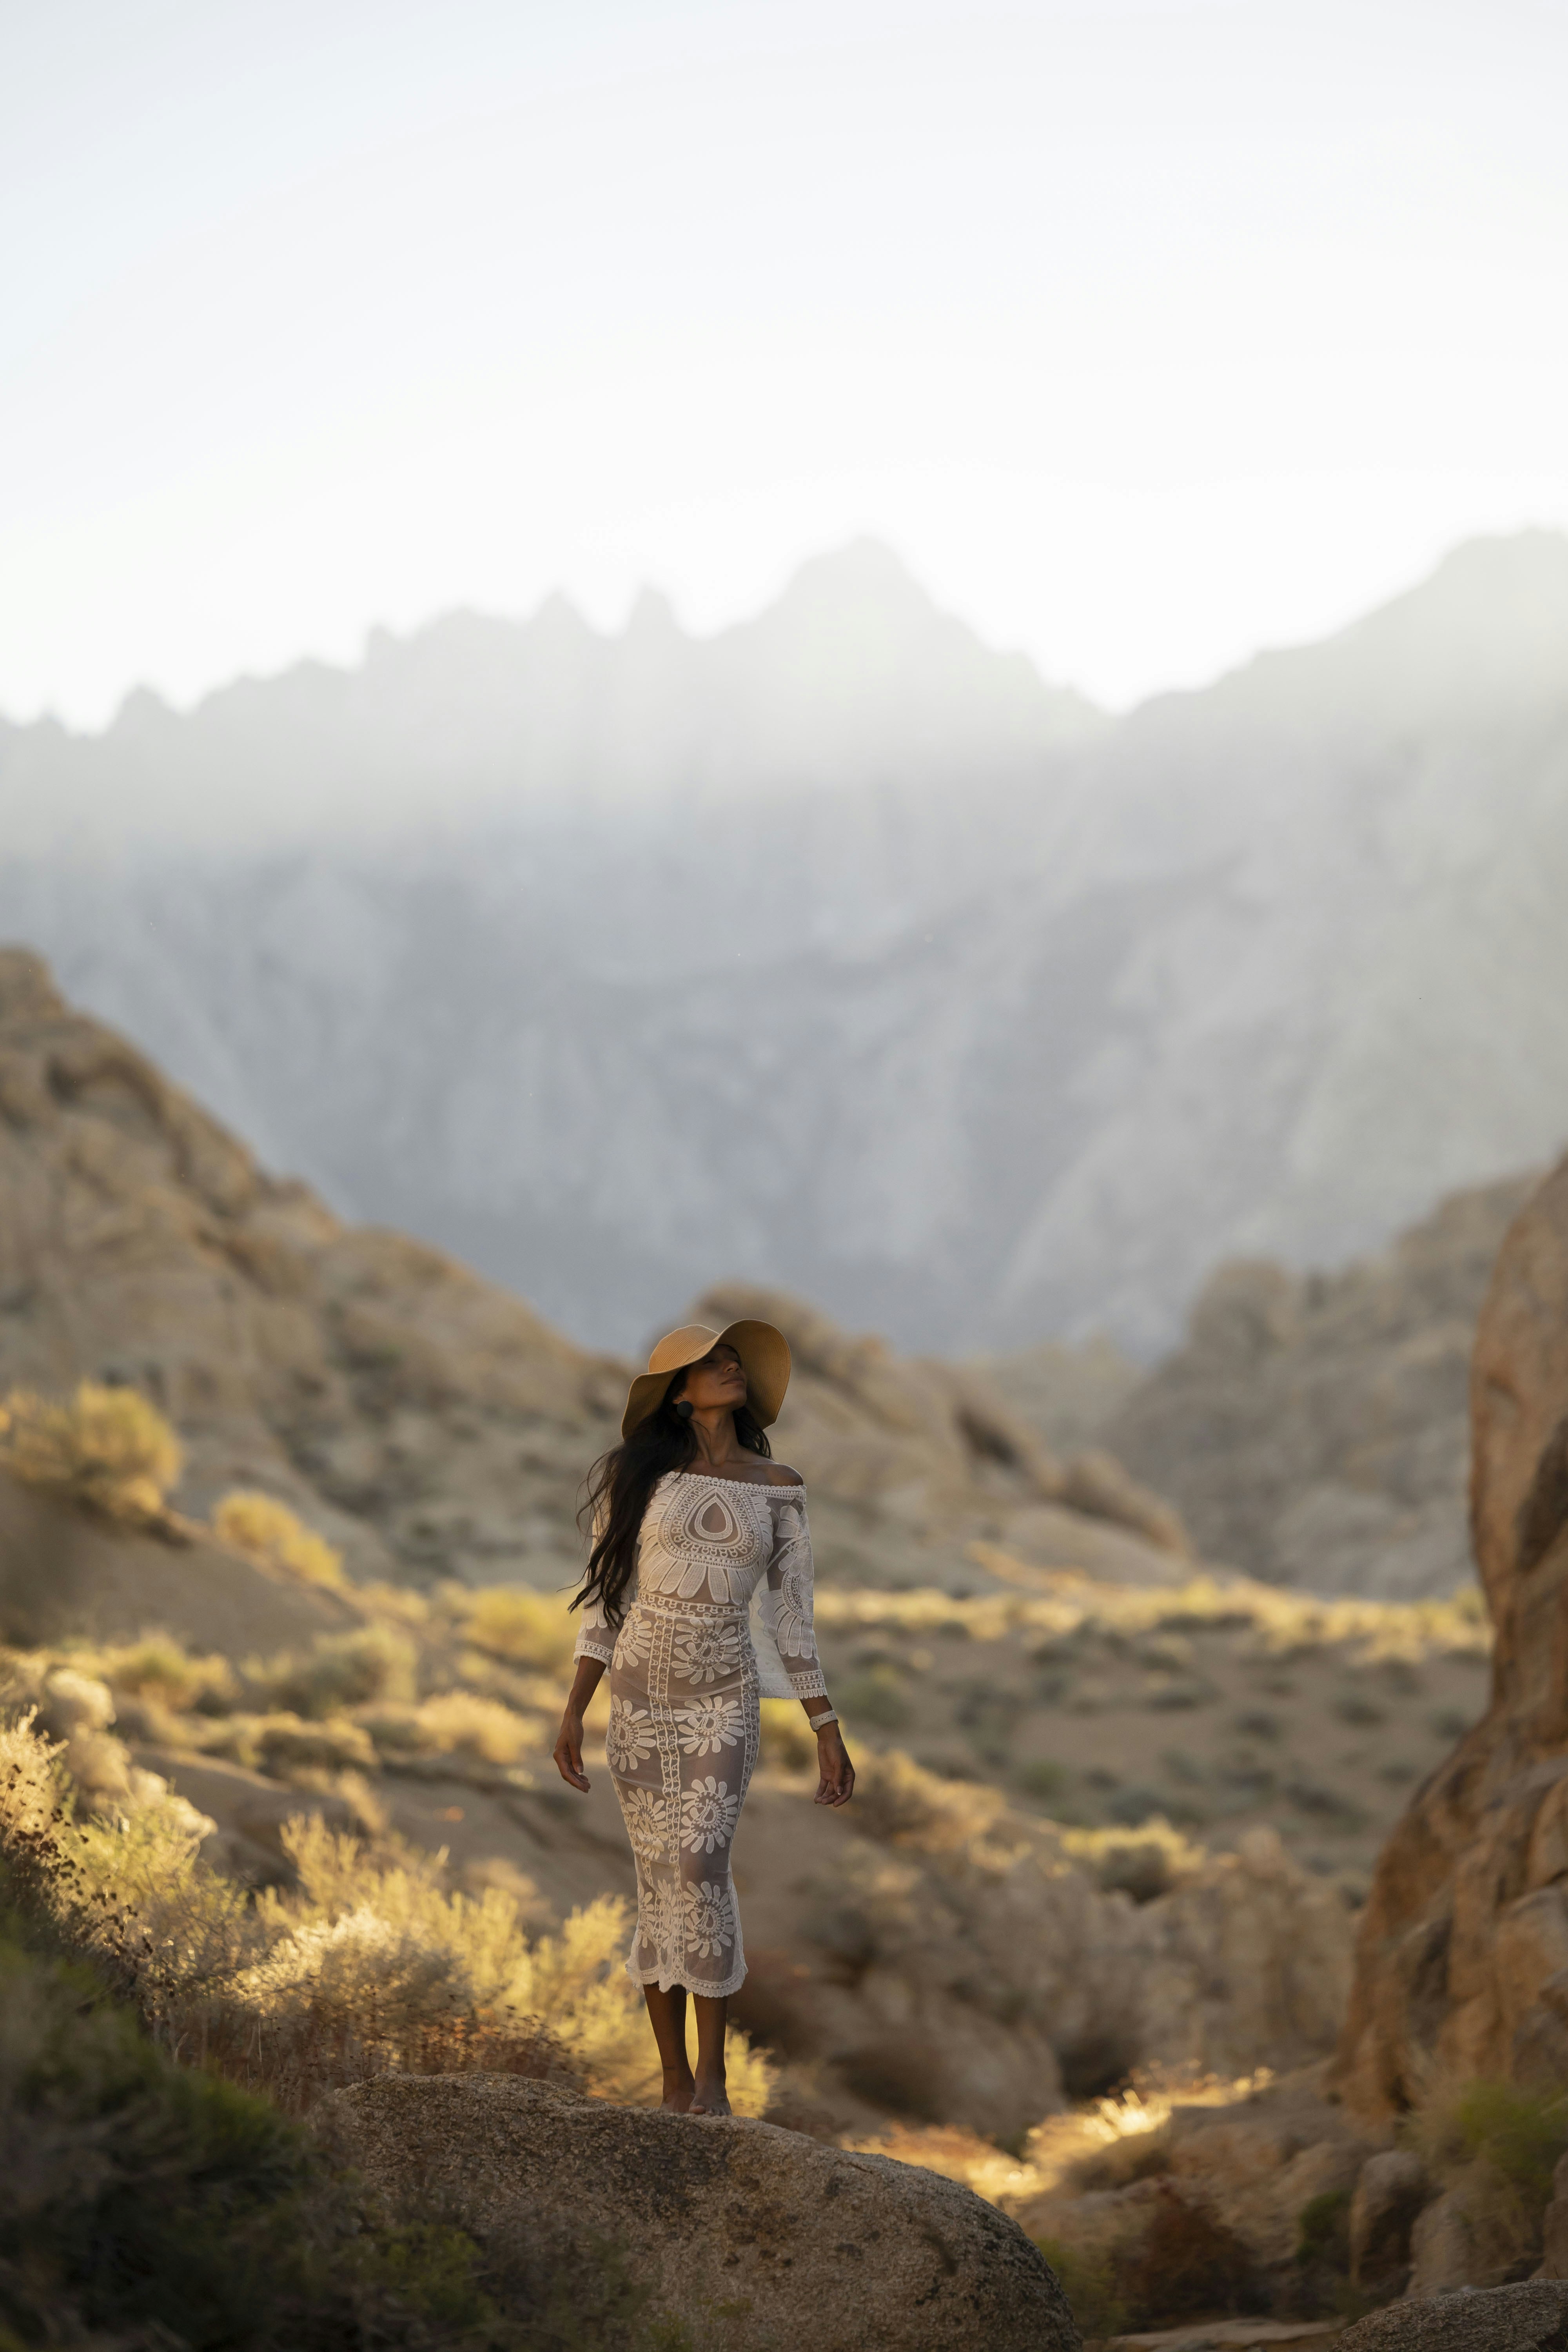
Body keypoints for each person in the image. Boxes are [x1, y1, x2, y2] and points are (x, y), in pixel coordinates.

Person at [552, 1319, 854, 2116]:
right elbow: (606, 1605)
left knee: (698, 1868)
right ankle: (673, 2083)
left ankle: (714, 2082)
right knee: (658, 1884)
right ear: (677, 1393)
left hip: (726, 1693)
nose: (728, 1369)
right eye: (710, 1363)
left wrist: (826, 1727)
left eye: (733, 1361)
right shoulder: (637, 1477)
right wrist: (573, 1710)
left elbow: (794, 1620)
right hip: (640, 1692)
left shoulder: (779, 1485)